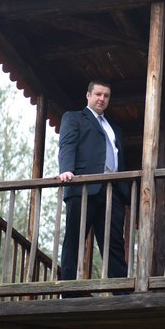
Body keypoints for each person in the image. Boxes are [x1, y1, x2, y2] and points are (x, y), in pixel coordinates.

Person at [58, 80, 128, 283]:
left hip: (112, 190)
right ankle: (67, 290)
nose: (102, 99)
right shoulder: (74, 118)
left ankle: (121, 292)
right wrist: (66, 170)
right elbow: (67, 144)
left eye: (106, 96)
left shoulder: (114, 128)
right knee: (74, 239)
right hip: (83, 187)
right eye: (98, 94)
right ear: (88, 95)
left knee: (114, 243)